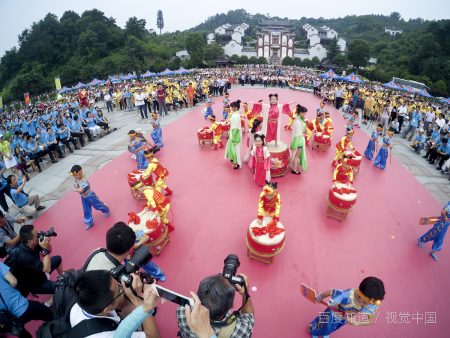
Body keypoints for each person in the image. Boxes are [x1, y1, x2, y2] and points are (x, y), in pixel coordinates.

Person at [70, 270, 161, 338]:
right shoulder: (108, 336)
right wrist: (140, 302)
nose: (122, 289)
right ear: (107, 309)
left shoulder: (81, 303)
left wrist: (130, 288)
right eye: (119, 290)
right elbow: (154, 337)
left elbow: (117, 310)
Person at [177, 274, 254, 338]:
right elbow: (249, 317)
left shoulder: (183, 309)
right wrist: (245, 294)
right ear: (232, 305)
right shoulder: (241, 330)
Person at [308, 277, 385, 338]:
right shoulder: (345, 295)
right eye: (365, 303)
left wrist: (356, 323)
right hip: (332, 316)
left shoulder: (369, 301)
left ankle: (325, 333)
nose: (366, 306)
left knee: (332, 328)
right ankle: (314, 331)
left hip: (344, 319)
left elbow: (370, 320)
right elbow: (330, 292)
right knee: (323, 324)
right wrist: (319, 297)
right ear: (360, 295)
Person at [0, 261, 54, 338]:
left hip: (6, 319)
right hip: (21, 305)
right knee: (49, 315)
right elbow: (13, 281)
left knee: (23, 335)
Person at [16, 224, 63, 295]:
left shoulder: (32, 244)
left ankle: (62, 277)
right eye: (37, 235)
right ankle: (47, 303)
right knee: (62, 287)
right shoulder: (24, 257)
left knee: (58, 259)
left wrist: (46, 244)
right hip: (36, 283)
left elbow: (49, 250)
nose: (39, 235)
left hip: (39, 271)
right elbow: (47, 269)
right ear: (30, 241)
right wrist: (44, 248)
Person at [70, 165, 110, 230]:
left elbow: (82, 190)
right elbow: (79, 186)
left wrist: (74, 189)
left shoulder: (84, 180)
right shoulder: (77, 179)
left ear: (80, 173)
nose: (74, 177)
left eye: (75, 175)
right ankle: (89, 222)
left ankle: (106, 209)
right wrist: (77, 187)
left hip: (90, 196)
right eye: (73, 175)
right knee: (86, 210)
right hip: (84, 197)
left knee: (97, 206)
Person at [289, 104, 308, 175]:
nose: (305, 114)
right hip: (299, 140)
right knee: (296, 155)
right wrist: (296, 142)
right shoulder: (299, 121)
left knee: (295, 155)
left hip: (299, 139)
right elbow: (297, 133)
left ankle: (293, 167)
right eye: (304, 112)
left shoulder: (298, 119)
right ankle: (294, 169)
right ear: (301, 113)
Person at [225, 100, 243, 169]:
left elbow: (235, 127)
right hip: (233, 132)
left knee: (235, 148)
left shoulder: (236, 116)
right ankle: (234, 159)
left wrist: (234, 137)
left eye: (234, 107)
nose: (232, 108)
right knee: (232, 147)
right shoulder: (234, 113)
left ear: (237, 107)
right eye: (232, 107)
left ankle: (237, 163)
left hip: (235, 134)